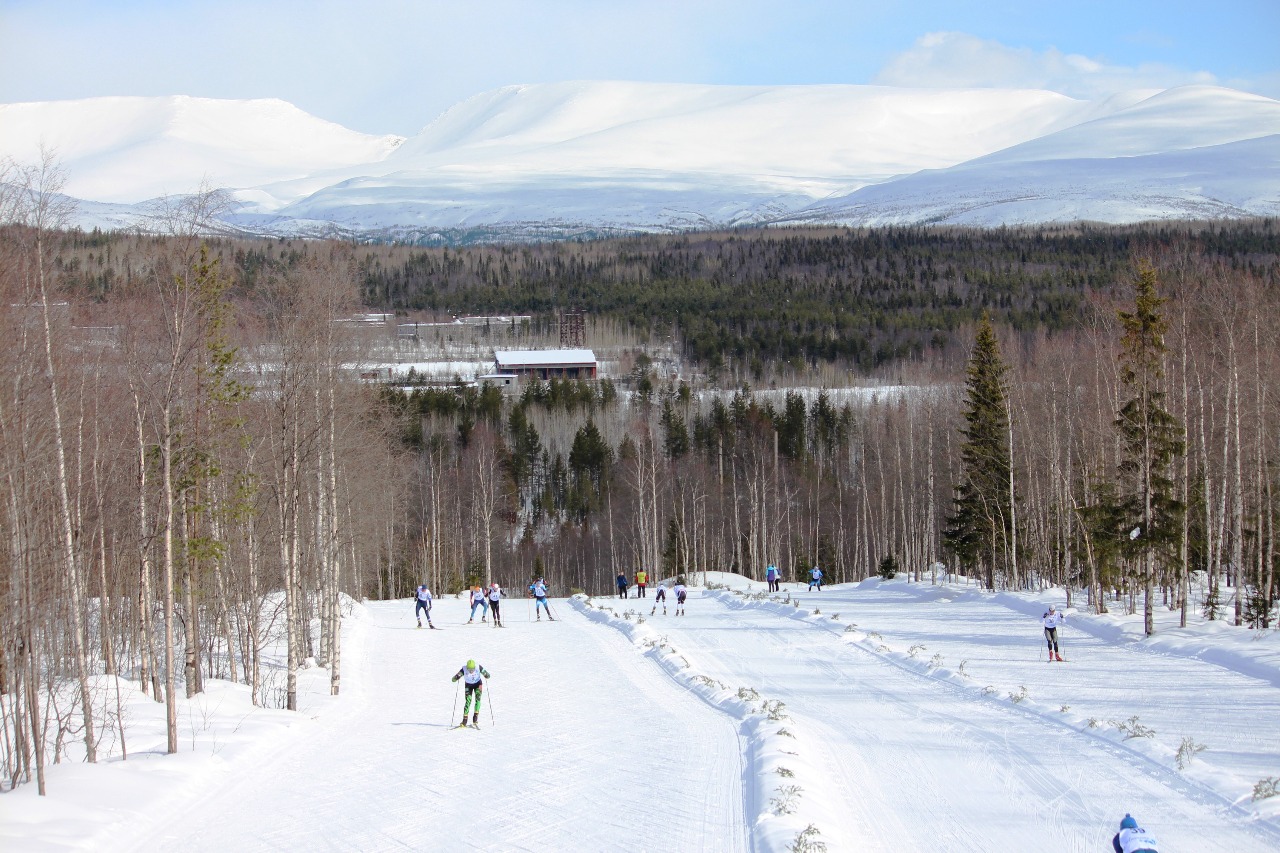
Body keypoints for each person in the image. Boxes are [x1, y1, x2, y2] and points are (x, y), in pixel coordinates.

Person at [450, 659, 491, 728]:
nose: (471, 671)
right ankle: (464, 721)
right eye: (469, 669)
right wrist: (456, 677)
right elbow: (455, 678)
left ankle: (475, 719)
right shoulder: (464, 669)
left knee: (478, 699)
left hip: (478, 684)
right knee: (468, 701)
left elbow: (487, 675)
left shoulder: (478, 667)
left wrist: (486, 675)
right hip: (468, 685)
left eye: (473, 669)